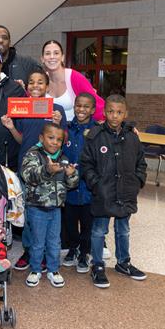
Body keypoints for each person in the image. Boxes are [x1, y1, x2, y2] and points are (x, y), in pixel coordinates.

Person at [0, 68, 67, 271]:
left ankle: (47, 252)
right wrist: (11, 126)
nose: (35, 86)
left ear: (47, 86)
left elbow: (64, 139)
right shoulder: (22, 108)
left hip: (52, 169)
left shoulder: (56, 109)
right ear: (26, 86)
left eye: (40, 82)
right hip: (27, 168)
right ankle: (30, 250)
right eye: (31, 82)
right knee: (28, 212)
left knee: (49, 212)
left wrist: (58, 123)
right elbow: (21, 140)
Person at [80, 94, 147, 289]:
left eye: (119, 112)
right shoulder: (95, 135)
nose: (114, 116)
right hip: (103, 193)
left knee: (123, 229)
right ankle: (98, 265)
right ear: (104, 112)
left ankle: (123, 262)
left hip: (125, 192)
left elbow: (140, 162)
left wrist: (137, 181)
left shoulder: (132, 137)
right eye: (110, 111)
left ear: (125, 114)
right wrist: (96, 184)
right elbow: (86, 164)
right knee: (99, 230)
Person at [21, 123, 78, 288]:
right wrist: (47, 170)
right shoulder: (33, 154)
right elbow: (28, 175)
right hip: (37, 207)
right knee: (38, 242)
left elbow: (71, 185)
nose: (55, 142)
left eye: (59, 140)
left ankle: (53, 269)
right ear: (41, 138)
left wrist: (71, 175)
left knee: (54, 241)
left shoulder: (63, 158)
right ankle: (36, 269)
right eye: (51, 138)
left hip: (56, 208)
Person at [61, 93, 97, 273]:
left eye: (86, 107)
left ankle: (85, 252)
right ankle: (73, 248)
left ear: (93, 110)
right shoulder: (66, 129)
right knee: (70, 221)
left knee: (87, 223)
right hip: (70, 189)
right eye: (78, 105)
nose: (81, 109)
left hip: (89, 189)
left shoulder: (98, 131)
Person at [41, 40, 105, 122]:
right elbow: (28, 105)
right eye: (47, 53)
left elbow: (98, 106)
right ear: (42, 59)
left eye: (56, 53)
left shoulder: (75, 78)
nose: (52, 56)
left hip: (72, 132)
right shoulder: (40, 80)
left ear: (62, 57)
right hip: (47, 132)